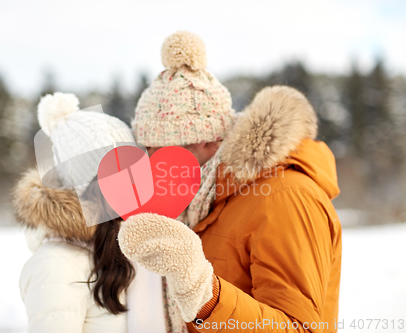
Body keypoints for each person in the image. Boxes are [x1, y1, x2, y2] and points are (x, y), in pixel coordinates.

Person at [118, 31, 342, 333]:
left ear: (209, 141)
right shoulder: (203, 204)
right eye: (146, 151)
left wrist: (205, 295)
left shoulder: (286, 196)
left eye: (161, 152)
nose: (153, 166)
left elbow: (300, 328)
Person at [13, 93, 167, 333]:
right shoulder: (56, 265)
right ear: (90, 186)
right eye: (120, 172)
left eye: (136, 168)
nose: (135, 184)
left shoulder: (131, 244)